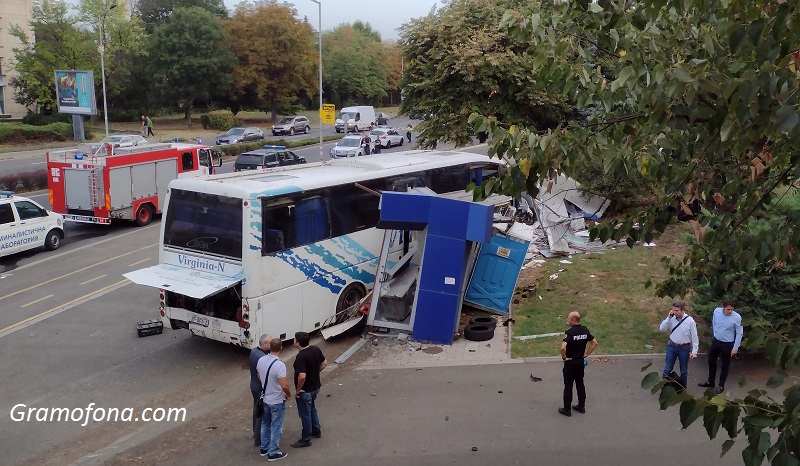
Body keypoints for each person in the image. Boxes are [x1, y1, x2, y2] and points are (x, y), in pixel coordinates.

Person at [291, 331, 327, 448]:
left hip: (305, 390)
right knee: (312, 408)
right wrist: (315, 374)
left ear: (298, 342)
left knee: (305, 414)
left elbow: (302, 376)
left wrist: (298, 390)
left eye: (294, 339)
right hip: (316, 386)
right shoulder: (315, 349)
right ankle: (316, 430)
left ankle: (306, 438)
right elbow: (324, 363)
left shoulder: (301, 356)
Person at [698, 299, 743, 394]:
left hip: (727, 344)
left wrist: (735, 348)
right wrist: (715, 333)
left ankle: (721, 385)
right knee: (711, 360)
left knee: (725, 365)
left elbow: (739, 333)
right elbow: (714, 322)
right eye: (728, 309)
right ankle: (711, 381)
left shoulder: (737, 317)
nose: (730, 311)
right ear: (723, 308)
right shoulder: (717, 311)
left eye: (731, 309)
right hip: (716, 341)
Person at [257, 338, 291, 461]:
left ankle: (264, 448)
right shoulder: (279, 365)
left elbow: (259, 375)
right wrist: (288, 394)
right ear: (281, 348)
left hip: (265, 398)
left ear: (269, 347)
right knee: (276, 427)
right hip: (277, 400)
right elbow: (284, 385)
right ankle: (273, 452)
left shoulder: (261, 360)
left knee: (265, 424)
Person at [558, 311, 598, 417]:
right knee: (580, 383)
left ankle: (567, 409)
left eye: (569, 318)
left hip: (570, 362)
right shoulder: (585, 330)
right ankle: (581, 406)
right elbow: (594, 342)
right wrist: (586, 354)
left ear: (574, 320)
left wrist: (564, 357)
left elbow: (562, 347)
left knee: (568, 386)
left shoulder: (569, 332)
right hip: (580, 362)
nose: (568, 320)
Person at [659, 300, 699, 391]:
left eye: (677, 310)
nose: (674, 312)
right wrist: (668, 317)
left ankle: (682, 388)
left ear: (682, 310)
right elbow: (662, 328)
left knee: (684, 370)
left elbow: (694, 336)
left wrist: (694, 351)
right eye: (673, 310)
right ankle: (663, 386)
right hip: (672, 346)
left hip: (684, 347)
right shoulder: (671, 318)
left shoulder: (690, 321)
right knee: (667, 368)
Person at [249, 334, 272, 446]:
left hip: (253, 386)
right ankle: (259, 439)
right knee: (261, 414)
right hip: (260, 388)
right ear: (264, 344)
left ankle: (255, 432)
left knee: (256, 410)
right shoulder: (262, 358)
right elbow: (261, 375)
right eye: (270, 343)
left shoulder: (254, 351)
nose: (272, 344)